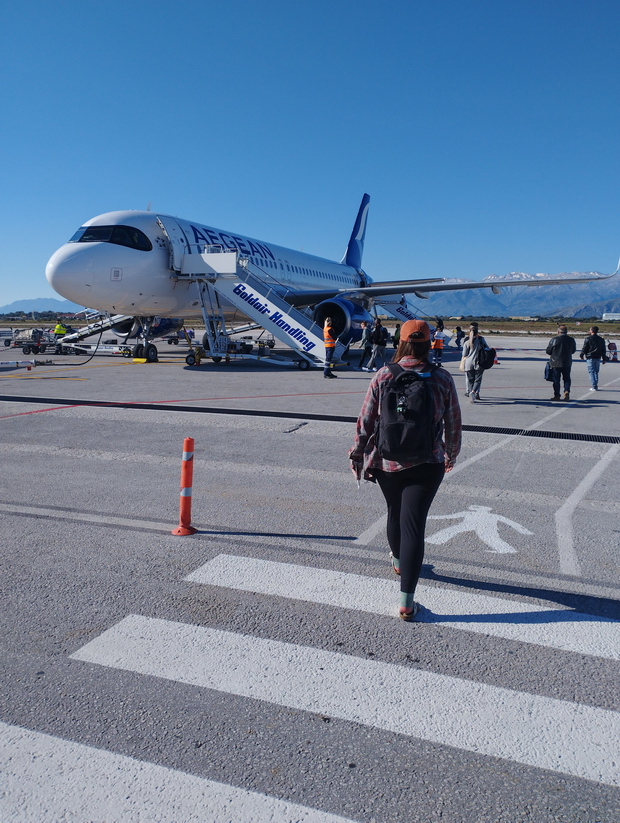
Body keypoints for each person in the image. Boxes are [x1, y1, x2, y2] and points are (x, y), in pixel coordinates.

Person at [348, 319, 462, 621]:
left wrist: (357, 454)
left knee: (395, 512)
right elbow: (453, 422)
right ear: (428, 343)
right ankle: (407, 602)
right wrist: (450, 453)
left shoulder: (384, 374)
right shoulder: (442, 378)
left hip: (387, 461)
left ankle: (398, 561)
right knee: (414, 524)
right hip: (428, 462)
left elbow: (366, 420)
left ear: (400, 342)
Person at [546, 324, 576, 401]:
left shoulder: (554, 339)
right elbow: (573, 351)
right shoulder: (571, 340)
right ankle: (566, 391)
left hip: (555, 362)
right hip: (567, 362)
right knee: (566, 378)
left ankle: (557, 395)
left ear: (558, 332)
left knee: (556, 380)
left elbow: (548, 351)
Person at [461, 322, 489, 402]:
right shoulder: (481, 339)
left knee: (470, 380)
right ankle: (475, 392)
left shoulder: (466, 340)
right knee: (478, 379)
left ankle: (470, 392)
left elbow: (464, 354)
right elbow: (487, 348)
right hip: (478, 362)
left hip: (468, 363)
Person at [580, 326, 606, 391]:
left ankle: (594, 385)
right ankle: (595, 384)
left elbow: (585, 348)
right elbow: (603, 350)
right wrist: (604, 358)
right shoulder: (601, 339)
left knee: (591, 371)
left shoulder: (588, 339)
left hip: (590, 357)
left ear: (592, 331)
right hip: (598, 357)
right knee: (596, 371)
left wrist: (582, 354)